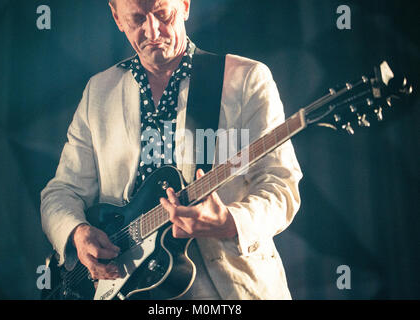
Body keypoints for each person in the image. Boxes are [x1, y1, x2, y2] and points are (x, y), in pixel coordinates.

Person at [41, 0, 302, 300]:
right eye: (137, 19)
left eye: (163, 14)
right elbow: (61, 192)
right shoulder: (98, 92)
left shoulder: (245, 79)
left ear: (186, 5)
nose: (152, 31)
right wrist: (77, 233)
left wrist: (230, 221)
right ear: (116, 17)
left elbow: (281, 187)